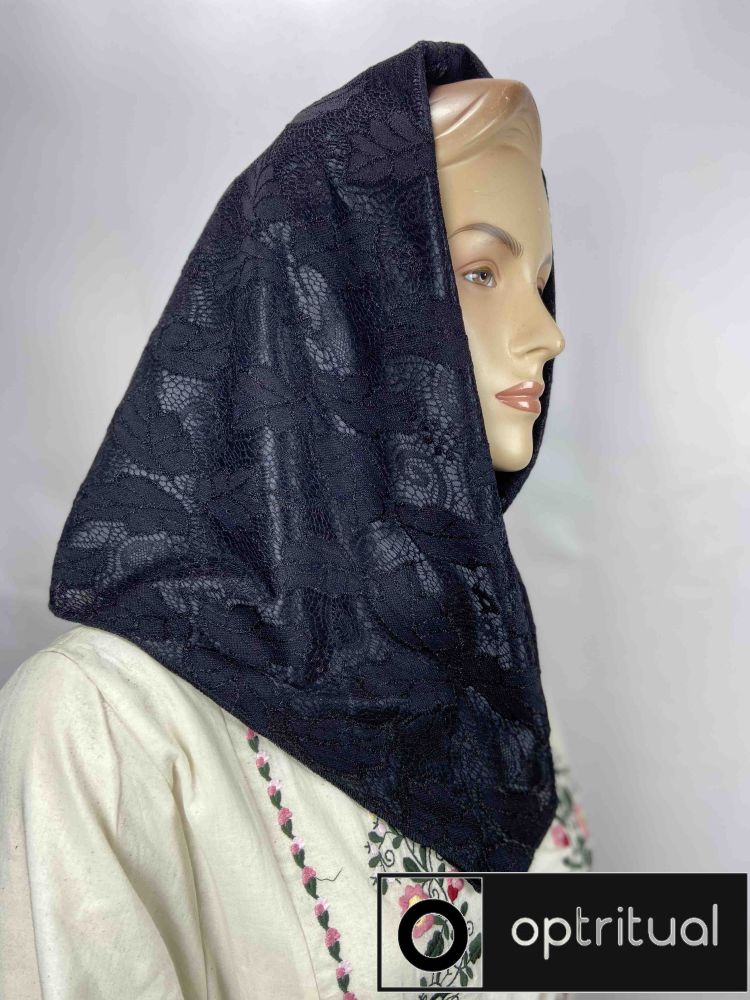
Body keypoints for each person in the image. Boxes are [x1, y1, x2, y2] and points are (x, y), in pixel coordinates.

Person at [0, 40, 592, 999]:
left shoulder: (487, 693)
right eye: (481, 273)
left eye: (541, 279)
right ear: (336, 302)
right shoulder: (102, 729)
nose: (548, 334)